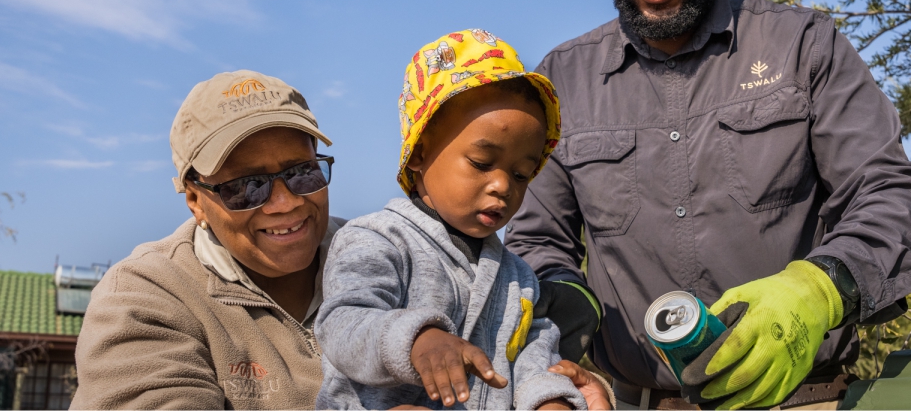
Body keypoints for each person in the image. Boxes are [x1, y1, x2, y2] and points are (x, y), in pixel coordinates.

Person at [507, 0, 911, 410]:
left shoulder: (805, 47)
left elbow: (889, 193)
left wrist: (821, 287)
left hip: (802, 399)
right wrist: (563, 311)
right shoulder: (562, 80)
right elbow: (537, 240)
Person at [315, 30, 611, 410]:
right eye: (482, 163)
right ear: (419, 153)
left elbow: (533, 354)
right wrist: (418, 338)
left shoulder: (518, 278)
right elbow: (342, 323)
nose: (503, 185)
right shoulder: (377, 239)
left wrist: (551, 399)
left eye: (522, 174)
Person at [72, 70, 342, 409]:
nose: (285, 202)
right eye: (246, 187)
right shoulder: (143, 297)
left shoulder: (386, 253)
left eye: (302, 173)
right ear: (195, 201)